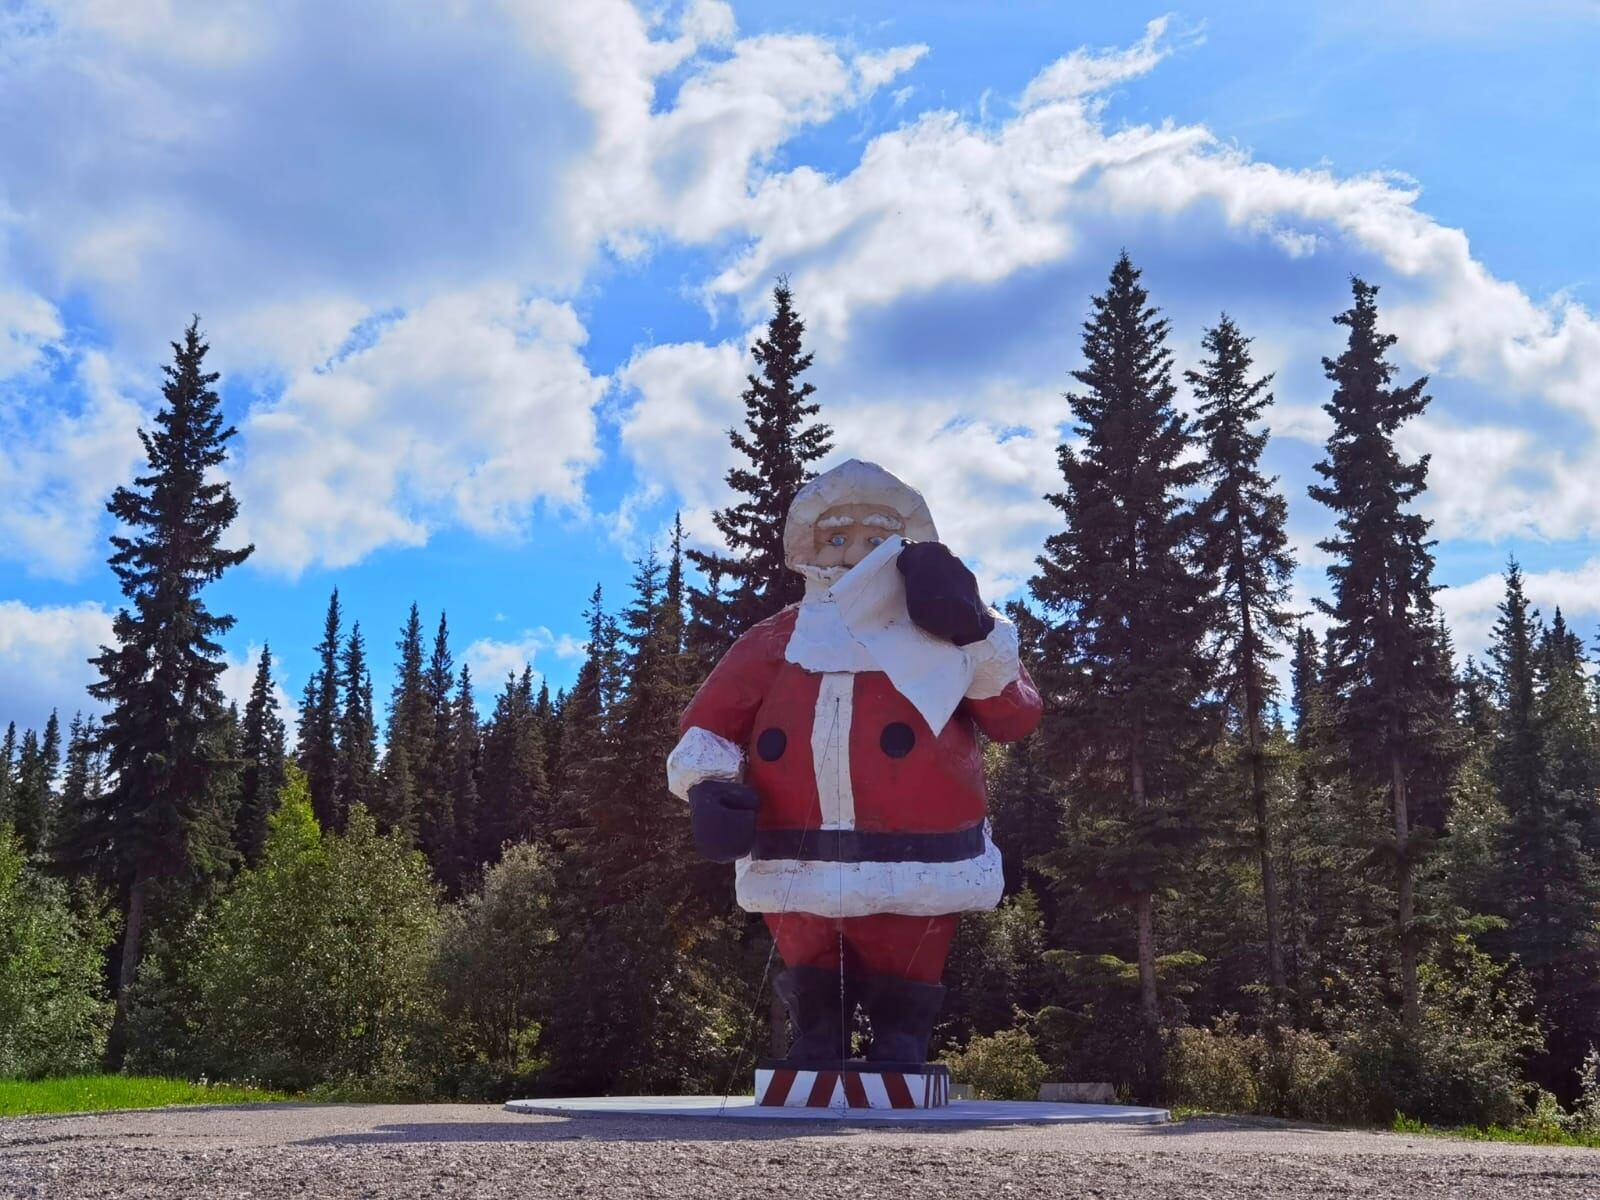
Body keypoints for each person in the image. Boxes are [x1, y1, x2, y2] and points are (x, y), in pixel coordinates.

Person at [666, 459, 1041, 1064]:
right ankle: (816, 1035)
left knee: (907, 943)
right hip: (794, 852)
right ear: (809, 546)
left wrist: (973, 632)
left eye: (875, 537)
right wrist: (707, 787)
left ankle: (901, 1038)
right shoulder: (775, 640)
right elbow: (709, 723)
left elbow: (1014, 716)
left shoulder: (953, 634)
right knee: (807, 946)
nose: (854, 552)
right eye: (838, 537)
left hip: (921, 853)